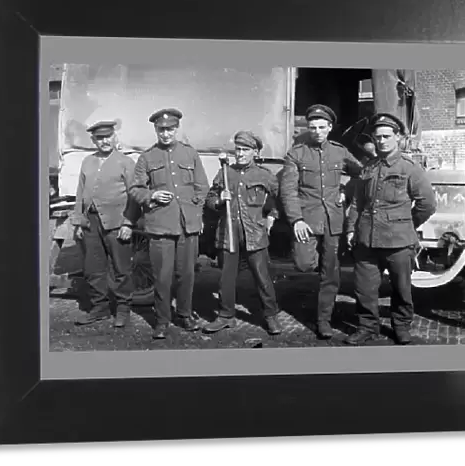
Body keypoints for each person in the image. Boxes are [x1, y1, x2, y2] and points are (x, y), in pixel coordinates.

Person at [344, 113, 437, 346]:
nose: (382, 141)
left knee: (401, 289)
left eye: (387, 136)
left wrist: (406, 223)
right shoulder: (368, 168)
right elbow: (357, 203)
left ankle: (401, 327)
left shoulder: (410, 168)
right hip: (366, 241)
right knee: (364, 289)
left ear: (398, 137)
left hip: (398, 241)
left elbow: (427, 203)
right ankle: (367, 327)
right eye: (378, 137)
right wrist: (350, 230)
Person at [279, 104, 365, 339]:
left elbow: (363, 174)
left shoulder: (339, 151)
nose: (317, 131)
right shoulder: (296, 154)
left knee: (331, 273)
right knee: (304, 264)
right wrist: (296, 219)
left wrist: (346, 191)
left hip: (333, 221)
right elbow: (288, 191)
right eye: (312, 127)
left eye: (321, 127)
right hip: (306, 220)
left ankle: (323, 321)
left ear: (329, 128)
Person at [130, 108, 210, 340]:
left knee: (186, 274)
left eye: (170, 129)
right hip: (160, 227)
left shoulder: (190, 154)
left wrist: (196, 215)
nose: (166, 134)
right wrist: (152, 196)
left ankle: (185, 314)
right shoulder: (146, 157)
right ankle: (163, 320)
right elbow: (135, 189)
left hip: (187, 226)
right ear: (156, 130)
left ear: (176, 129)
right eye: (161, 130)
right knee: (162, 277)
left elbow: (201, 187)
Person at [202, 131, 283, 335]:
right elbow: (209, 200)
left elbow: (278, 198)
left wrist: (272, 215)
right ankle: (225, 316)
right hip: (228, 233)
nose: (240, 153)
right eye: (237, 149)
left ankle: (271, 315)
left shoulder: (265, 175)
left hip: (255, 233)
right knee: (226, 278)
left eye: (245, 150)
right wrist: (219, 200)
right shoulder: (224, 173)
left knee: (262, 277)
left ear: (255, 152)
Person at [71, 120, 140, 328]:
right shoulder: (87, 162)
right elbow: (80, 193)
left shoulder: (125, 162)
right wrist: (78, 221)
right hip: (91, 222)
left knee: (121, 268)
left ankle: (123, 309)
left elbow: (135, 195)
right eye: (100, 138)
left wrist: (128, 223)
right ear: (93, 140)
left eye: (108, 136)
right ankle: (99, 308)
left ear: (114, 137)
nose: (104, 141)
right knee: (93, 268)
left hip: (117, 222)